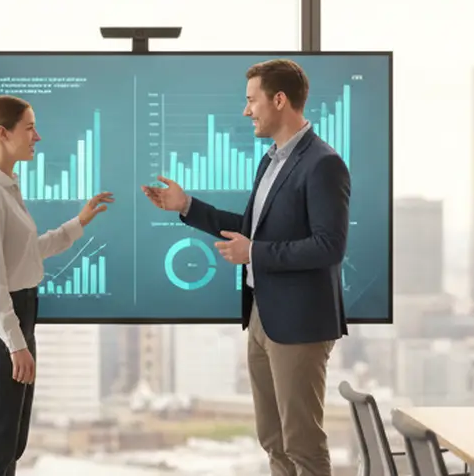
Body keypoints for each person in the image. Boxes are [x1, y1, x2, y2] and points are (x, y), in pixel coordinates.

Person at [141, 59, 350, 476]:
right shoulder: (271, 161)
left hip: (299, 325)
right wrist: (186, 207)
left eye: (251, 100)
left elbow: (329, 246)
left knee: (302, 444)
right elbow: (250, 229)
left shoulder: (322, 163)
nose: (246, 110)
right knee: (273, 440)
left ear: (279, 100)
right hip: (262, 316)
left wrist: (255, 254)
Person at [0, 94, 114, 476]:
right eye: (29, 128)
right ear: (3, 133)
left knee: (12, 444)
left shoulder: (7, 186)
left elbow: (28, 253)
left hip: (18, 317)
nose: (37, 137)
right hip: (1, 326)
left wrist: (79, 222)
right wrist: (16, 345)